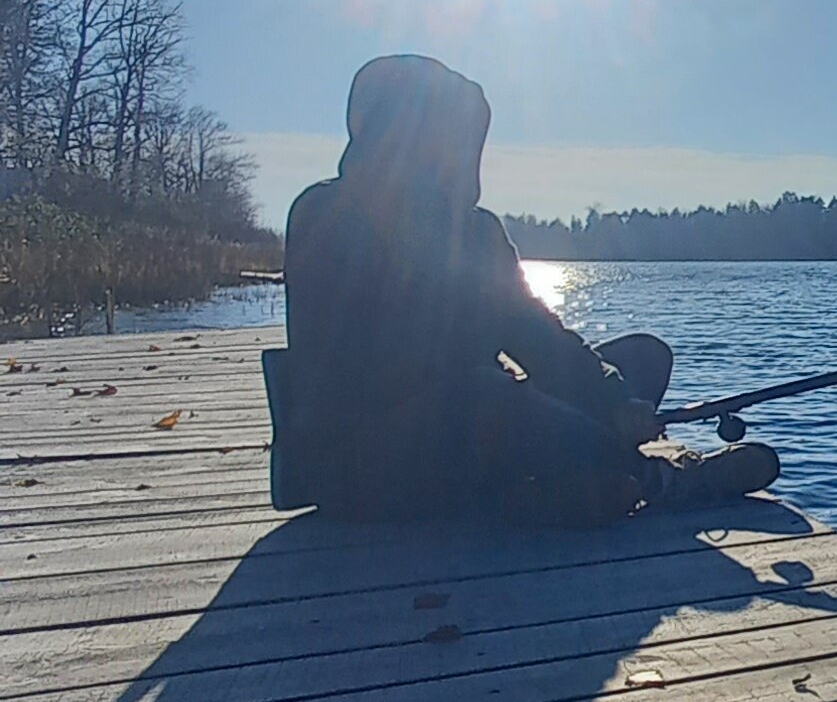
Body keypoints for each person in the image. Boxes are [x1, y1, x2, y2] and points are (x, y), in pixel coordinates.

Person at [278, 54, 779, 522]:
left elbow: (533, 330)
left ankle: (540, 489)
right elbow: (370, 363)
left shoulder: (476, 230)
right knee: (482, 397)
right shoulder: (326, 214)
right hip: (361, 456)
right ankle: (661, 480)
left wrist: (613, 398)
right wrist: (530, 397)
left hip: (476, 419)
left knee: (644, 358)